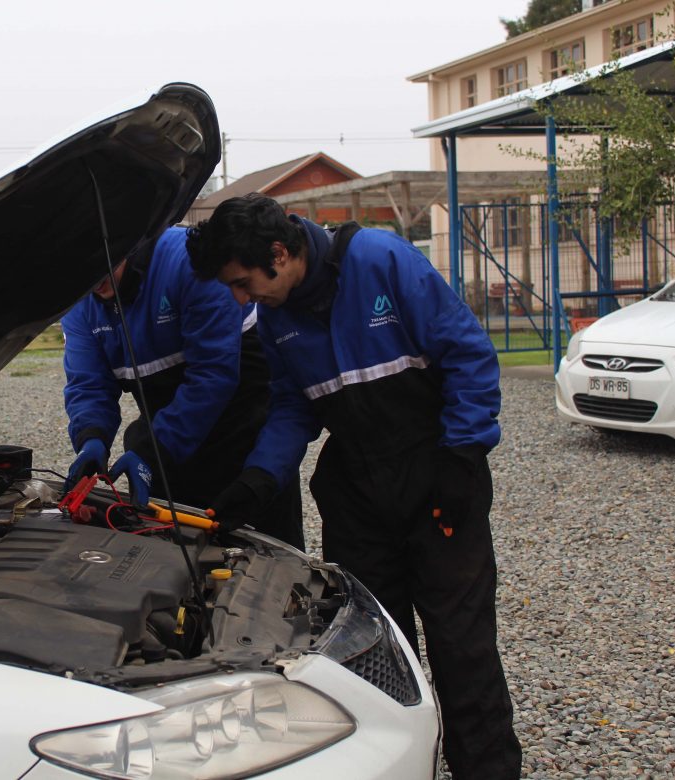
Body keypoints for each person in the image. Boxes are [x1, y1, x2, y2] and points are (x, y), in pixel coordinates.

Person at [185, 194, 521, 780]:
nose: (240, 299)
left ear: (280, 253)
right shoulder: (277, 316)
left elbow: (468, 354)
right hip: (358, 496)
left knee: (461, 648)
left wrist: (463, 458)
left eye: (242, 283)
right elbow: (293, 408)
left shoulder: (380, 260)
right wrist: (258, 480)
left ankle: (486, 769)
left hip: (437, 480)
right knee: (373, 653)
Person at [61, 225, 304, 549]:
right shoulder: (81, 307)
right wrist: (91, 439)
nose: (93, 281)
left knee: (268, 553)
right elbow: (88, 383)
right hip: (169, 430)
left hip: (243, 423)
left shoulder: (191, 261)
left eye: (100, 265)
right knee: (172, 553)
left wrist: (150, 451)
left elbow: (213, 375)